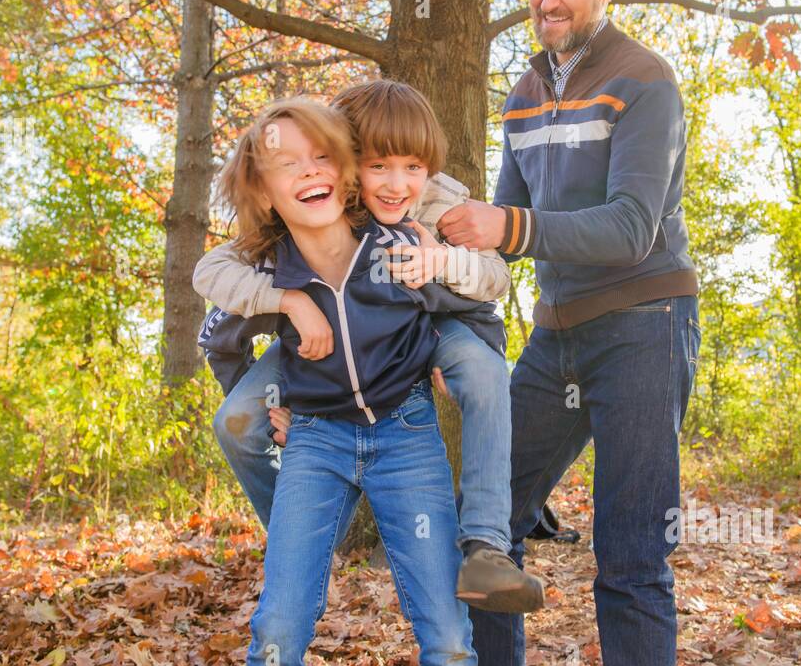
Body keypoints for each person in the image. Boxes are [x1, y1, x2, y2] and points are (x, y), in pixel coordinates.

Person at [437, 0, 702, 666]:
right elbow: (496, 249)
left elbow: (630, 227)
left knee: (631, 553)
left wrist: (508, 225)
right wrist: (466, 352)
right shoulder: (521, 94)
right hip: (556, 339)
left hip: (644, 325)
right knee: (482, 531)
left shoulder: (645, 80)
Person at [197, 80, 544, 613]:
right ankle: (308, 534)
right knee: (237, 422)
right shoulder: (322, 199)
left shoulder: (439, 201)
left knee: (483, 371)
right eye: (377, 166)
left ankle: (486, 548)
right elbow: (213, 269)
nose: (396, 183)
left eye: (412, 166)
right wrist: (288, 299)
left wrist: (443, 262)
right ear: (344, 160)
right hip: (327, 338)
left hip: (429, 327)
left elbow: (496, 277)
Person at [203, 96, 482, 666]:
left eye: (321, 157)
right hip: (314, 442)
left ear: (346, 168)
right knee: (278, 625)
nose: (307, 171)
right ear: (261, 190)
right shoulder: (267, 265)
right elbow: (210, 284)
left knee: (448, 634)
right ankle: (302, 545)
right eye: (286, 165)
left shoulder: (394, 236)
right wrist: (291, 305)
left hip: (405, 435)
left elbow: (474, 272)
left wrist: (445, 352)